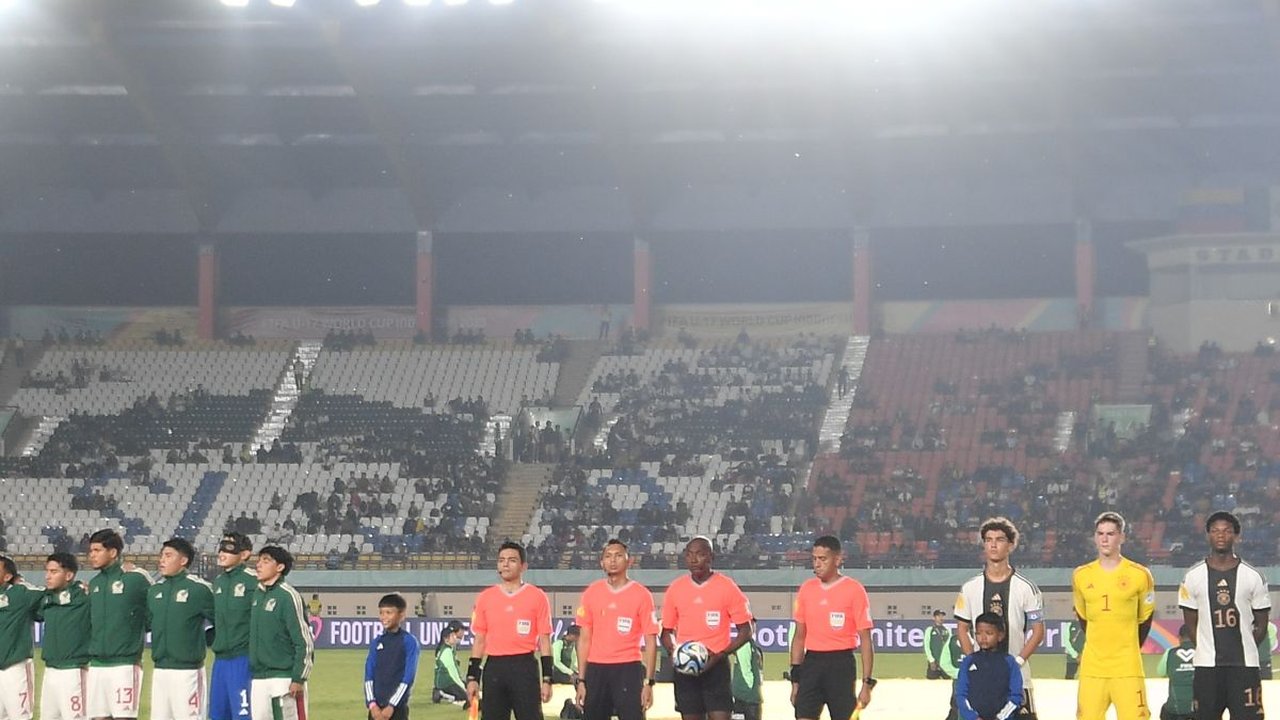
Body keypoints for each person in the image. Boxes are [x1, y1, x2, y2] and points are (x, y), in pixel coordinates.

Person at [1177, 511, 1271, 720]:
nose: (1221, 535)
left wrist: (1245, 645)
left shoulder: (1253, 576)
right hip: (1207, 668)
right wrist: (1206, 647)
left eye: (1227, 531)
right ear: (1208, 535)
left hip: (1244, 667)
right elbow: (1191, 625)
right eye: (1215, 531)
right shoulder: (1192, 577)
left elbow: (1262, 625)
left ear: (1237, 536)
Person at [953, 518, 1044, 718]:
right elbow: (962, 628)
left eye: (1000, 539)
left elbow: (1038, 631)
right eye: (988, 540)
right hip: (979, 679)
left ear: (1011, 545)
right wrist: (973, 661)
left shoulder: (1026, 588)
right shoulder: (970, 588)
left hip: (1018, 678)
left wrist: (1018, 662)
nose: (993, 545)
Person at [1071, 511, 1155, 720]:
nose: (1105, 539)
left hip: (1127, 668)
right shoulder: (1081, 575)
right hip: (1093, 668)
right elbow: (1083, 617)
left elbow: (1145, 619)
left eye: (1110, 534)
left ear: (1122, 537)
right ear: (1095, 537)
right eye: (1100, 534)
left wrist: (1128, 648)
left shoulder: (1140, 574)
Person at [661, 536, 753, 720]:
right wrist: (675, 651)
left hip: (716, 667)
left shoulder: (727, 587)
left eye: (700, 554)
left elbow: (746, 630)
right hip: (685, 669)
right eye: (689, 555)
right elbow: (666, 632)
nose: (694, 559)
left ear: (711, 556)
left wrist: (720, 654)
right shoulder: (676, 588)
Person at [465, 541, 553, 720]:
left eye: (512, 560)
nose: (505, 564)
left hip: (524, 667)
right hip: (494, 668)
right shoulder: (485, 598)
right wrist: (472, 677)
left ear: (523, 566)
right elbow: (479, 640)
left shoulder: (537, 596)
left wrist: (547, 679)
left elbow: (545, 641)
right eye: (501, 560)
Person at [790, 536, 875, 720]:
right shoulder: (806, 589)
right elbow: (799, 637)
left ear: (837, 560)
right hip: (812, 663)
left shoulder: (854, 590)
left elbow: (865, 639)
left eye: (823, 559)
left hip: (841, 664)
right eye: (814, 559)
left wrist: (866, 684)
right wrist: (795, 681)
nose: (817, 564)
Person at [574, 539, 659, 720]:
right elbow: (584, 639)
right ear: (601, 562)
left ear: (630, 561)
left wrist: (649, 682)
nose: (612, 560)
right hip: (596, 669)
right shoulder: (591, 593)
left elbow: (651, 640)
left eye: (618, 555)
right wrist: (581, 680)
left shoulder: (642, 594)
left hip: (628, 668)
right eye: (608, 556)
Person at [86, 528, 152, 720]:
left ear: (113, 552)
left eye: (97, 550)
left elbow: (155, 604)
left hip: (125, 664)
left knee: (124, 717)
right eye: (91, 551)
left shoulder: (135, 579)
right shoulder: (95, 583)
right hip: (96, 664)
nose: (92, 555)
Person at [147, 538, 216, 720]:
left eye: (168, 555)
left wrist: (210, 640)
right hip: (160, 670)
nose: (162, 560)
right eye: (162, 555)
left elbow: (220, 621)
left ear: (183, 560)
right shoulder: (154, 591)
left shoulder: (199, 589)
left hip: (188, 671)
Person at [249, 546, 314, 720]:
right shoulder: (257, 595)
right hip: (258, 678)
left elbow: (304, 641)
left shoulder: (288, 596)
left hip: (283, 678)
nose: (258, 565)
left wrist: (298, 678)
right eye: (259, 560)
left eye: (266, 561)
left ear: (280, 567)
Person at [211, 533, 258, 720]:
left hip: (242, 659)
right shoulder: (219, 582)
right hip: (220, 660)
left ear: (244, 554)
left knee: (242, 715)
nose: (222, 553)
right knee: (217, 715)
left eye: (229, 549)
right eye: (221, 547)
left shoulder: (253, 581)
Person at [39, 552, 92, 720]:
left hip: (73, 671)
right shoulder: (46, 598)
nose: (47, 576)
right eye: (47, 571)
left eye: (54, 572)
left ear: (69, 575)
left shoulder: (85, 596)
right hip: (50, 671)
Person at [954, 613, 1023, 720]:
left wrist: (1001, 717)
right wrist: (973, 717)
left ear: (1000, 636)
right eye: (979, 633)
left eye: (989, 633)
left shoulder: (1009, 662)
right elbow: (961, 694)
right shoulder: (969, 661)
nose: (983, 638)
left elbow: (1016, 696)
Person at [364, 593, 422, 720]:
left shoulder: (409, 641)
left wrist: (392, 705)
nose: (384, 617)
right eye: (381, 613)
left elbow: (408, 678)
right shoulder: (377, 642)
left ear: (402, 615)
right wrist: (372, 705)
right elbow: (369, 674)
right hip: (375, 709)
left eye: (389, 613)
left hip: (397, 709)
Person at [0, 555, 42, 720]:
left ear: (7, 576)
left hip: (14, 667)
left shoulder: (19, 593)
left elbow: (45, 593)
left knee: (19, 717)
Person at [1155, 625, 1195, 720]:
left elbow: (1160, 672)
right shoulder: (1202, 652)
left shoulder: (1170, 652)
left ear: (1179, 637)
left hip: (1174, 711)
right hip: (1197, 710)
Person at [433, 621, 468, 707]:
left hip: (446, 680)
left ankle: (442, 692)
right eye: (452, 636)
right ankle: (442, 694)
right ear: (446, 639)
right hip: (447, 681)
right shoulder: (447, 651)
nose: (455, 637)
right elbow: (453, 672)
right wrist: (462, 686)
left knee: (467, 690)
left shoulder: (449, 649)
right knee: (464, 696)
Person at [728, 635, 763, 720]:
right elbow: (745, 669)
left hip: (742, 694)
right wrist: (751, 689)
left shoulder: (748, 643)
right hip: (747, 696)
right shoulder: (745, 643)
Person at [925, 610, 951, 680]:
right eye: (938, 616)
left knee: (947, 681)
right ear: (934, 618)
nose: (941, 618)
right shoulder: (929, 630)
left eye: (942, 616)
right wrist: (931, 660)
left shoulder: (947, 630)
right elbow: (927, 646)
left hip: (945, 662)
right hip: (934, 661)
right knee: (932, 681)